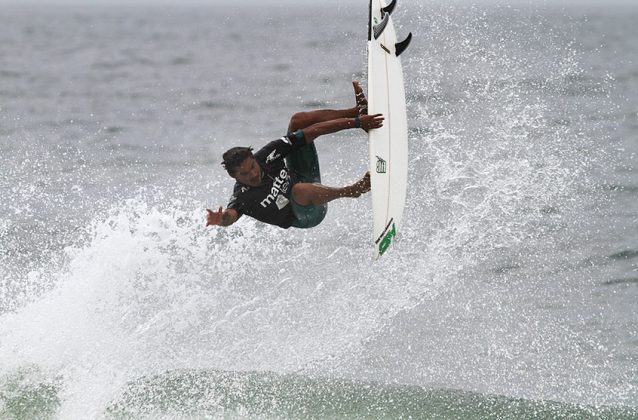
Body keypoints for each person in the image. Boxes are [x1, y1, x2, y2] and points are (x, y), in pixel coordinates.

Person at [206, 81, 383, 229]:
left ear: (254, 159)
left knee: (298, 121)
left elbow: (312, 131)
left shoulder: (268, 154)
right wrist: (220, 220)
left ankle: (357, 111)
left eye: (252, 167)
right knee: (299, 190)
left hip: (304, 176)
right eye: (244, 174)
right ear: (233, 176)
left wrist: (357, 122)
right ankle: (354, 190)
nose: (253, 174)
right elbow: (230, 216)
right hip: (307, 214)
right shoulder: (242, 197)